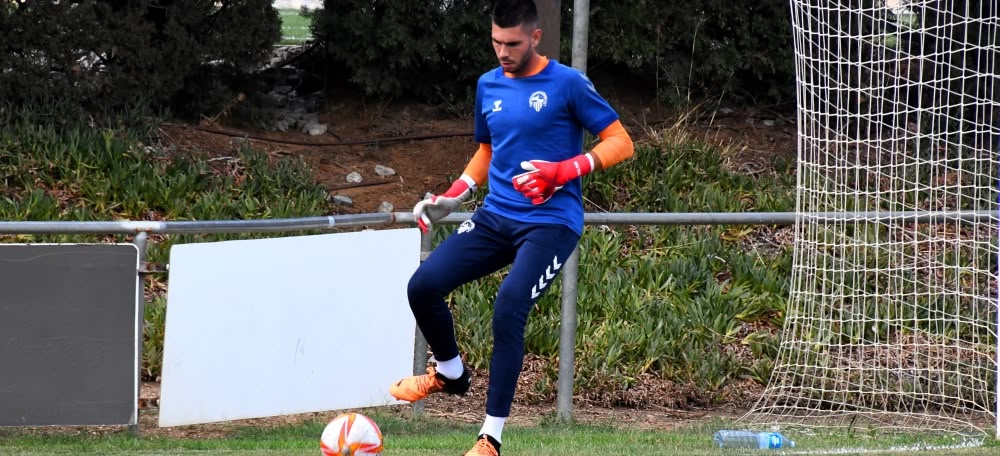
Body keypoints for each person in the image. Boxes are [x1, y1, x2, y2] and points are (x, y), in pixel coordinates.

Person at [389, 0, 634, 454]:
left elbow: (621, 141)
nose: (503, 51)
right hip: (496, 216)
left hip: (551, 223)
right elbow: (487, 150)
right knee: (422, 286)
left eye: (513, 43)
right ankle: (450, 372)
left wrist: (565, 171)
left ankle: (490, 437)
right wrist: (454, 195)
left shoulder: (568, 84)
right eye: (496, 42)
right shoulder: (488, 84)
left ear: (535, 38)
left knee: (508, 308)